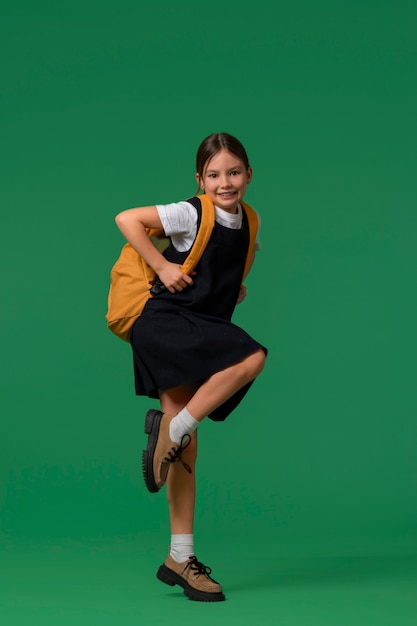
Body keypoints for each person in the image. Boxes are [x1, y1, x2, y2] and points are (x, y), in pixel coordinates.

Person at [115, 132, 267, 602]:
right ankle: (175, 428)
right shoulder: (191, 211)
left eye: (235, 172)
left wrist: (234, 286)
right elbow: (127, 219)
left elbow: (238, 257)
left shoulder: (250, 221)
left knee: (185, 449)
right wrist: (161, 267)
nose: (226, 182)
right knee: (251, 356)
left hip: (196, 322)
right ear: (200, 179)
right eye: (215, 174)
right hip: (164, 321)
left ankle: (180, 556)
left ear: (249, 175)